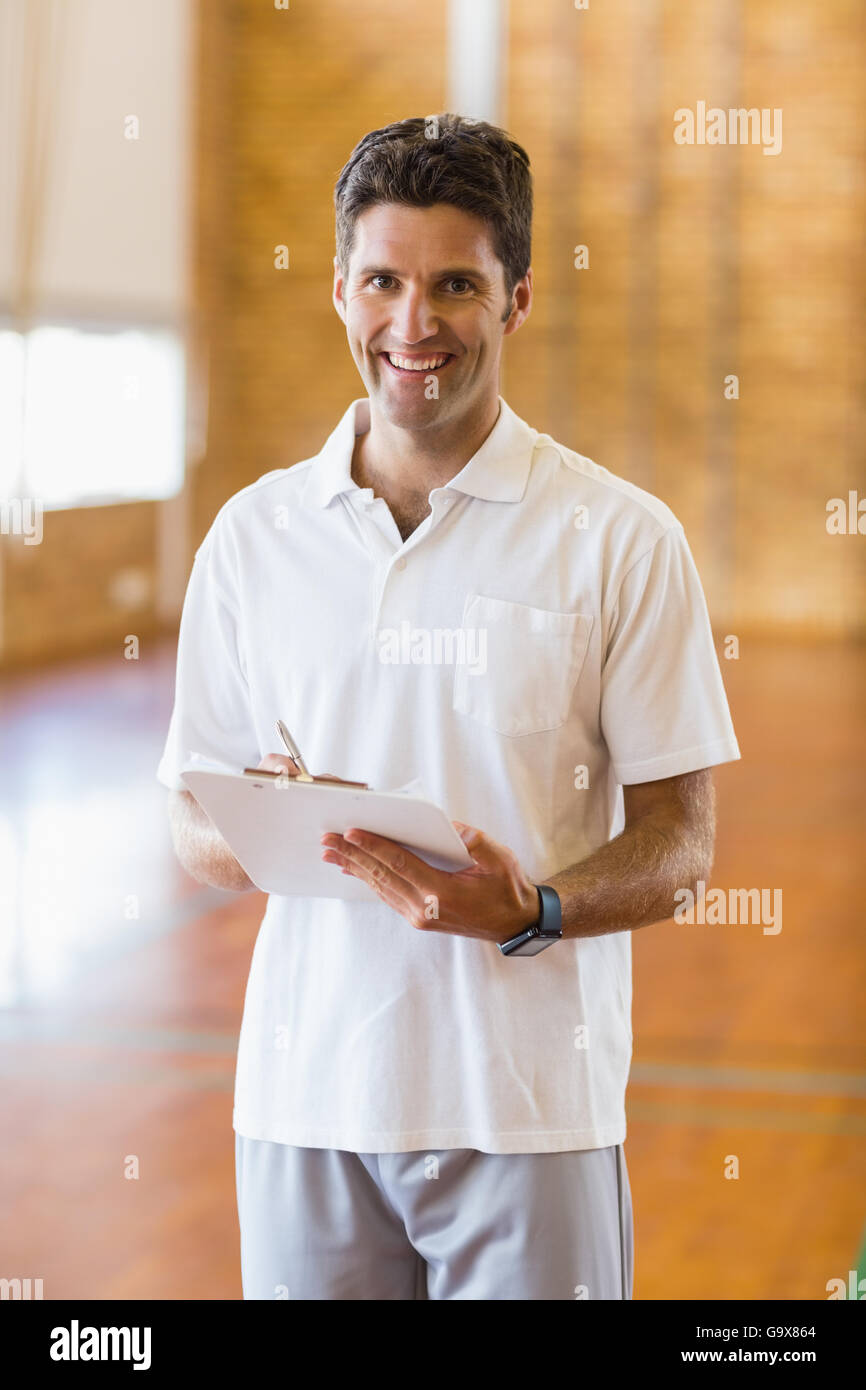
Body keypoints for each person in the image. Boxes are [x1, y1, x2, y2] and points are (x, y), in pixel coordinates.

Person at [158, 113, 740, 1301]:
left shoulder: (621, 539)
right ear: (338, 289)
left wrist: (532, 907)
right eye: (382, 280)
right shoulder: (251, 539)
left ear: (516, 299)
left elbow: (682, 847)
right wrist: (277, 825)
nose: (412, 326)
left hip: (529, 1112)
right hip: (303, 1106)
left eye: (454, 286)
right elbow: (191, 821)